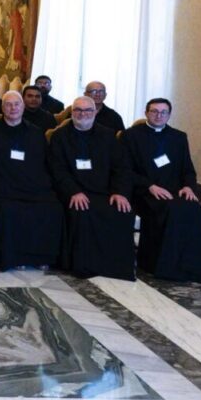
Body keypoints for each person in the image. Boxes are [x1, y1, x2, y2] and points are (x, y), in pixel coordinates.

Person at [121, 98, 201, 283]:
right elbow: (125, 170)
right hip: (145, 191)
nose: (159, 115)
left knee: (194, 211)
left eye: (164, 112)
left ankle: (193, 266)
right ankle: (159, 264)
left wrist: (188, 186)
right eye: (154, 111)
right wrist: (149, 186)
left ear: (169, 115)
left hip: (175, 191)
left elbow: (188, 169)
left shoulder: (179, 137)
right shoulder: (130, 136)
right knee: (169, 211)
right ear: (146, 113)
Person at [49, 96, 135, 280]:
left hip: (104, 191)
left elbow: (122, 168)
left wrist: (120, 192)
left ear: (95, 111)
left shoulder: (108, 136)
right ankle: (84, 265)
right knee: (82, 211)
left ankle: (113, 265)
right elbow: (57, 169)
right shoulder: (60, 136)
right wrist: (73, 191)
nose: (83, 114)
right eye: (78, 110)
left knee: (122, 212)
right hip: (73, 191)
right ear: (72, 113)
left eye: (87, 110)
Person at [0, 91, 63, 270]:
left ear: (23, 107)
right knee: (12, 210)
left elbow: (44, 162)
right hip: (3, 187)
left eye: (17, 104)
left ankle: (42, 256)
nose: (13, 108)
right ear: (2, 108)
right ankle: (15, 257)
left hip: (33, 186)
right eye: (8, 104)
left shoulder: (35, 133)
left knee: (51, 207)